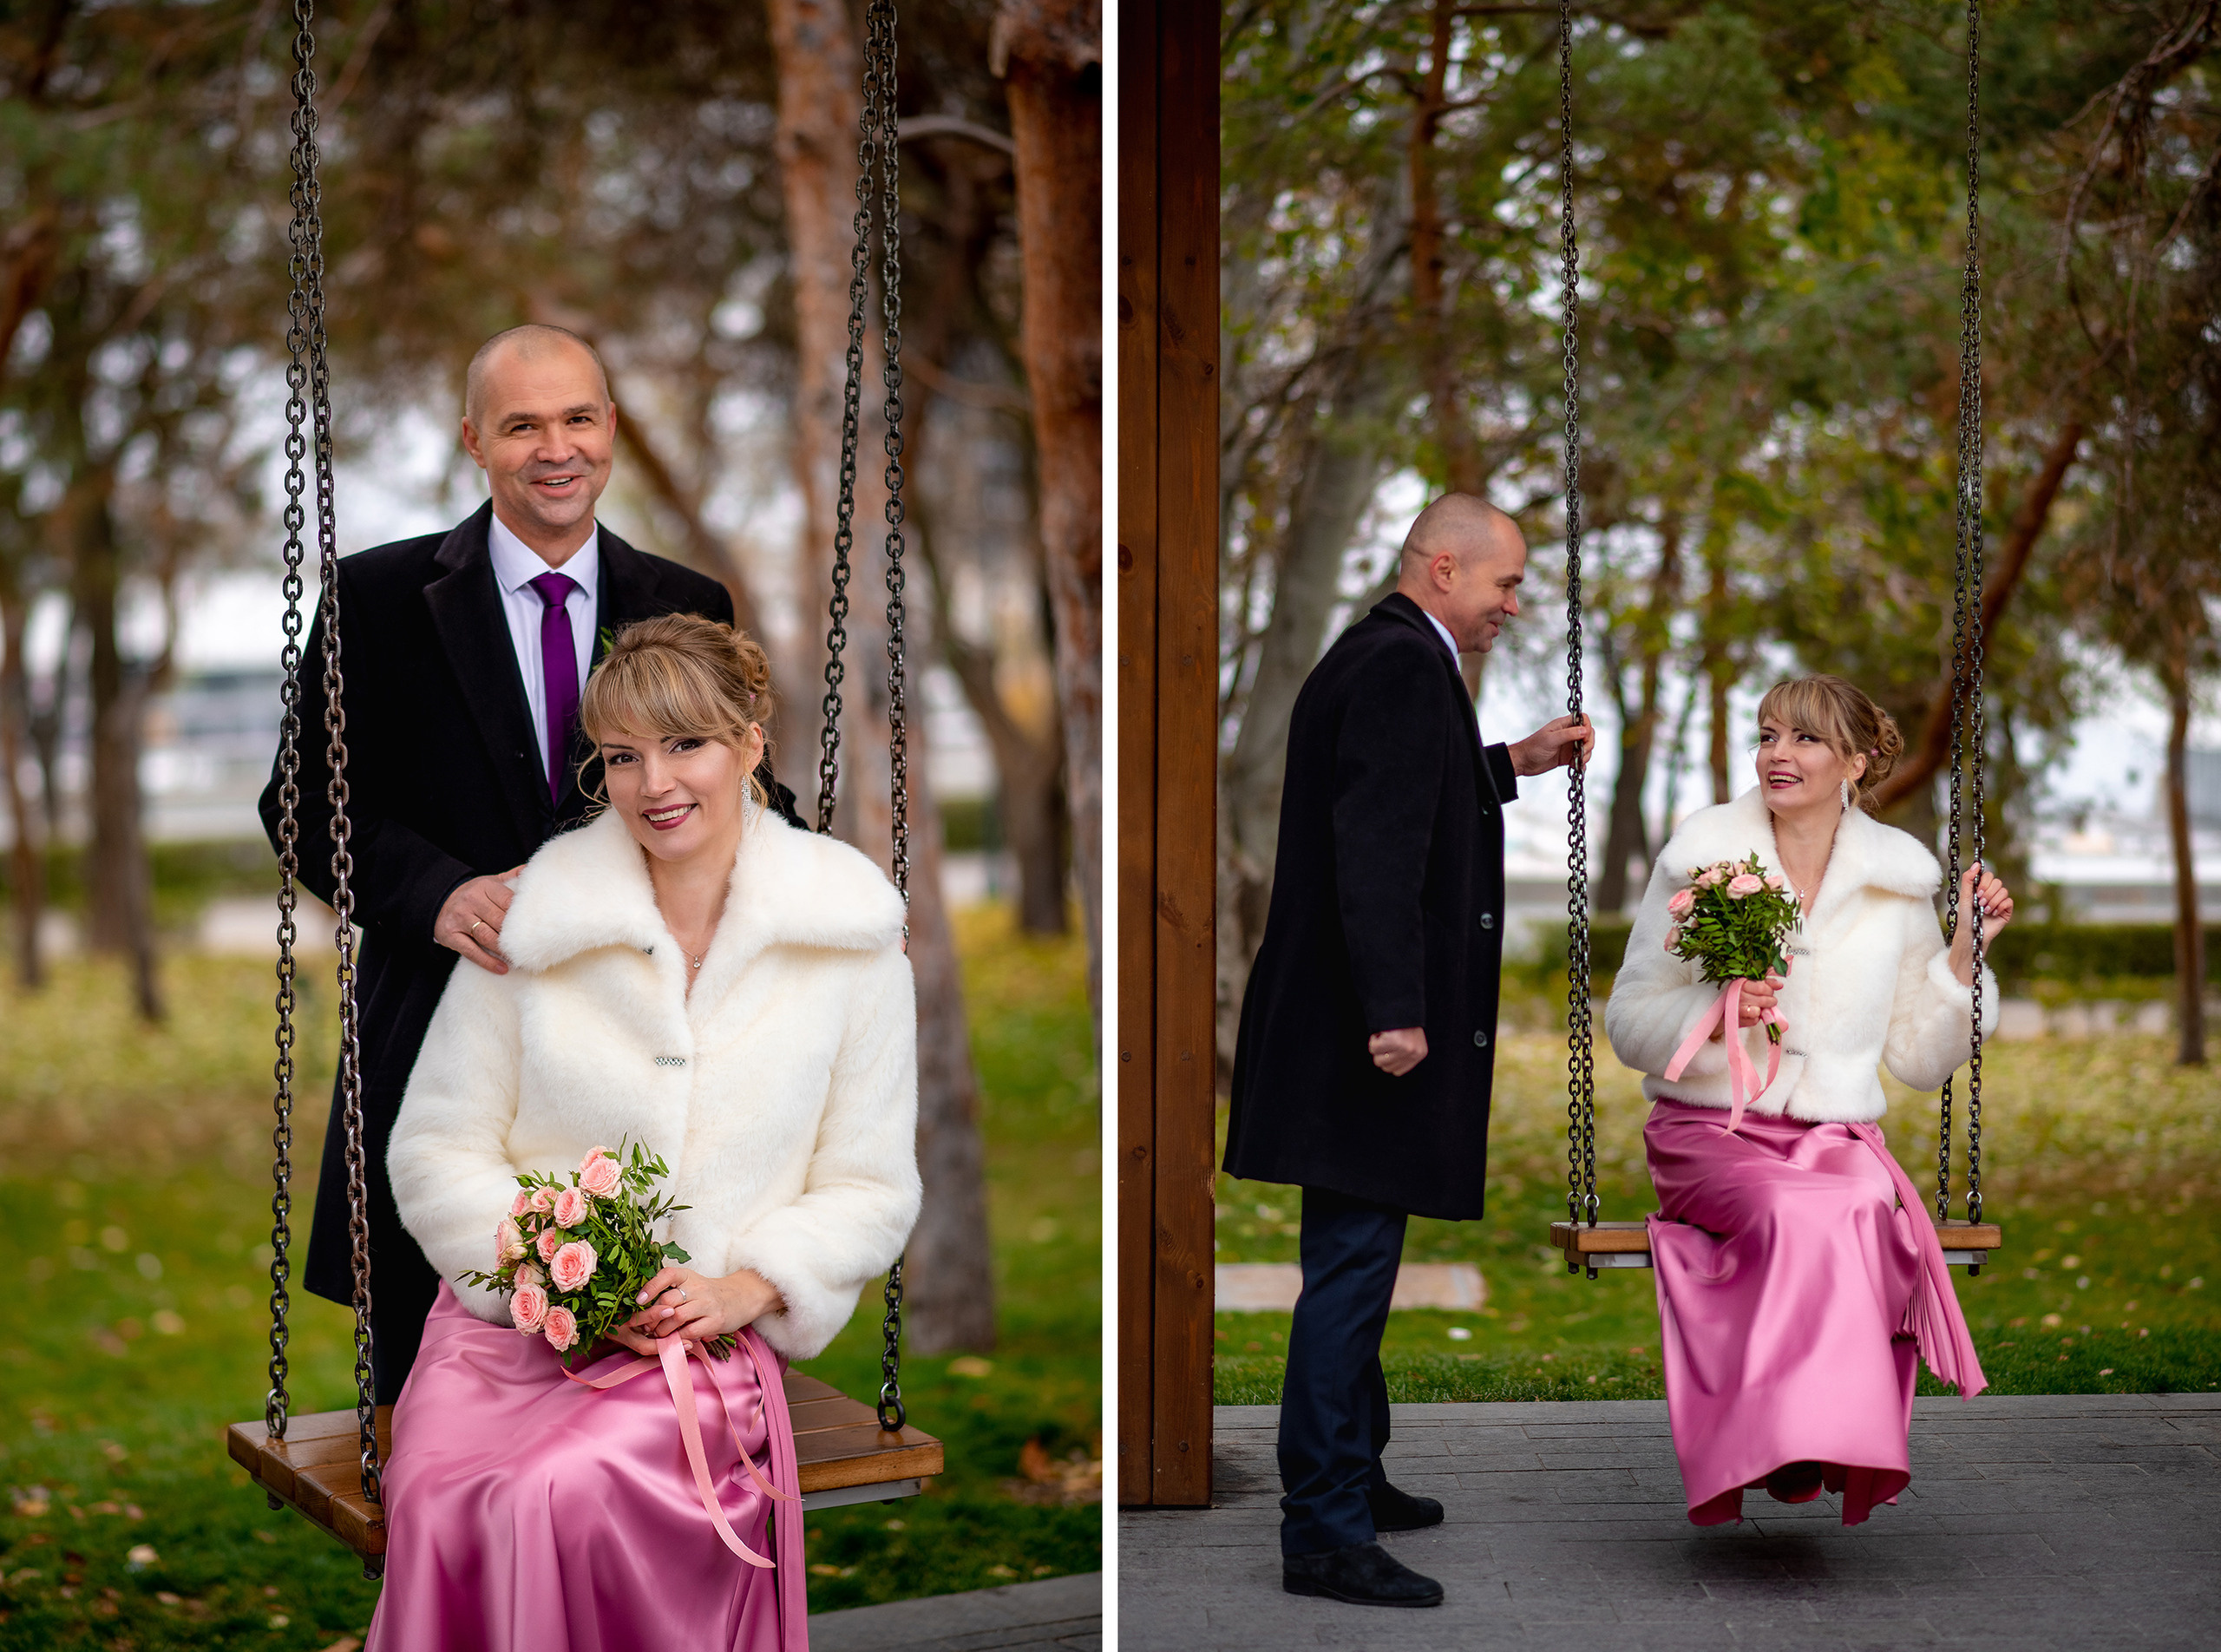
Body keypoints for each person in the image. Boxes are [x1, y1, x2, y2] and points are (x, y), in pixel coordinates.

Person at [259, 323, 799, 1403]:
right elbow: (301, 802)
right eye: (522, 425)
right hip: (440, 1038)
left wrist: (824, 890)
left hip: (638, 1057)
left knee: (647, 1396)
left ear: (612, 427)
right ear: (474, 439)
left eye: (578, 418)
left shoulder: (685, 598)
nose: (557, 449)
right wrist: (434, 891)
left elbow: (742, 796)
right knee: (431, 1406)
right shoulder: (375, 599)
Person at [370, 614, 919, 1651]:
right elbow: (436, 1145)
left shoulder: (849, 944)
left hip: (697, 1345)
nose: (653, 783)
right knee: (446, 1490)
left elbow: (871, 1183)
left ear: (750, 743)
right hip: (511, 1334)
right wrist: (552, 1275)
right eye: (622, 756)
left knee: (556, 1490)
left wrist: (748, 1286)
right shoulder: (541, 922)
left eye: (685, 744)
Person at [1225, 493, 1595, 1609]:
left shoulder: (1388, 654)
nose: (1513, 605)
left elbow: (1407, 791)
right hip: (1362, 1032)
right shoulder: (1398, 663)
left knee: (1358, 1259)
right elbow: (1375, 847)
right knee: (1349, 1270)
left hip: (1339, 1023)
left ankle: (1356, 1472)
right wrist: (1396, 1007)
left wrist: (1512, 760)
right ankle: (1322, 1529)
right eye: (1505, 582)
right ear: (1443, 567)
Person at [1604, 673, 2006, 1527]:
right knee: (1799, 1212)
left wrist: (1963, 959)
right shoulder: (1702, 859)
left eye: (1806, 738)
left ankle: (1815, 1438)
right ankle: (1784, 1439)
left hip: (1835, 1138)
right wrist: (1717, 1011)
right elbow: (1630, 1019)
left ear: (1854, 762)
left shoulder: (1896, 883)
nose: (1777, 754)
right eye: (1768, 734)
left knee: (1862, 1205)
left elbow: (1917, 1056)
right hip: (1710, 1130)